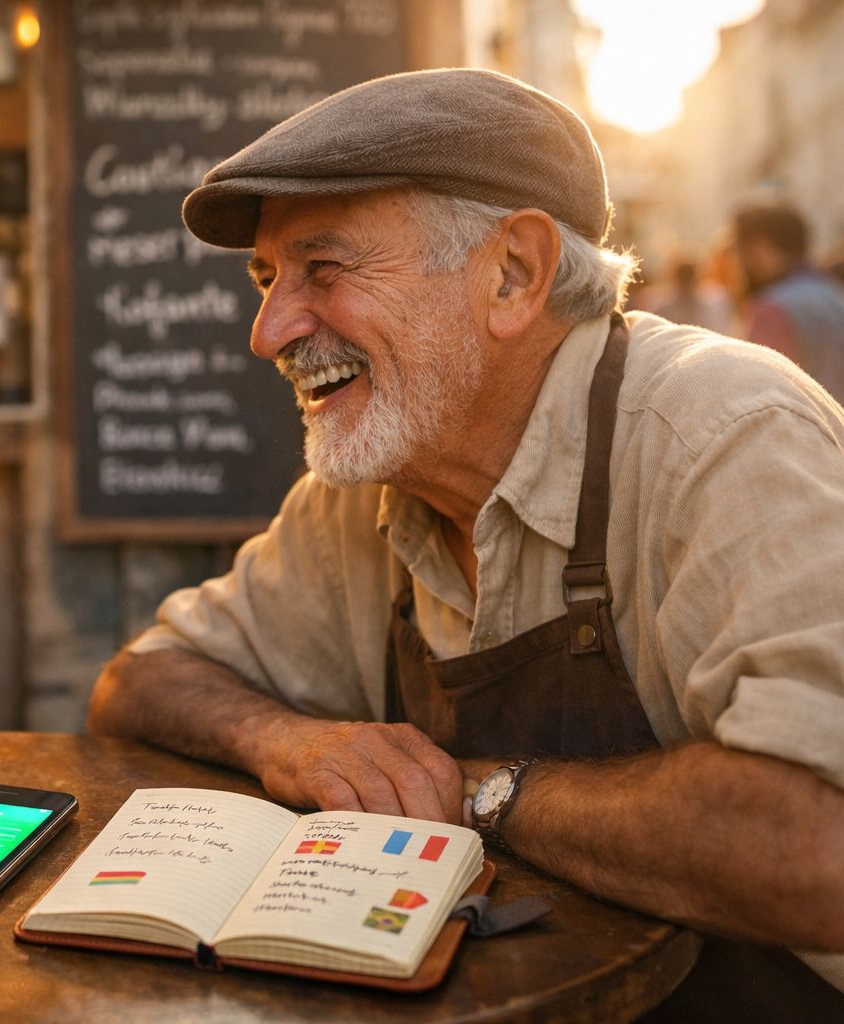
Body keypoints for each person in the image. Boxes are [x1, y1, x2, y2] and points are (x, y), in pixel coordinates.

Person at [87, 68, 844, 1018]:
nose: (267, 330)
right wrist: (288, 739)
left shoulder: (723, 434)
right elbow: (140, 680)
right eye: (270, 280)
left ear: (513, 274)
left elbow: (819, 850)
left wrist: (477, 794)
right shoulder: (365, 494)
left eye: (324, 269)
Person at [733, 202, 844, 400]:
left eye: (741, 249)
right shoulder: (833, 293)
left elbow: (762, 394)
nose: (739, 262)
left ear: (759, 247)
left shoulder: (772, 308)